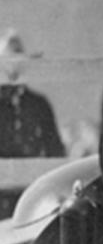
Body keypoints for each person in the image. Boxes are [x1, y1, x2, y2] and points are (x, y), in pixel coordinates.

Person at [0, 29, 66, 158]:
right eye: (8, 62)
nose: (13, 69)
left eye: (18, 61)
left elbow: (55, 149)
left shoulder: (39, 104)